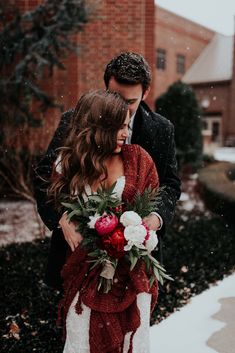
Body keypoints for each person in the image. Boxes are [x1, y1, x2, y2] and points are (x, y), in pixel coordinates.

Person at [33, 52, 181, 289]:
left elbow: (170, 184)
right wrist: (61, 217)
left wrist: (154, 218)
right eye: (115, 97)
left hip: (135, 260)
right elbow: (43, 175)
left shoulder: (162, 129)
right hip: (78, 257)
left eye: (130, 102)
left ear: (146, 92)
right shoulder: (75, 120)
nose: (121, 108)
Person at [49, 90, 159, 353]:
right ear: (98, 127)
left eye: (127, 125)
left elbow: (154, 203)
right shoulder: (69, 164)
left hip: (132, 274)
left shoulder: (139, 160)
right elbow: (55, 202)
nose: (125, 133)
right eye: (118, 126)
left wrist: (144, 228)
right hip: (86, 270)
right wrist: (64, 217)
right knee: (82, 338)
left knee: (130, 341)